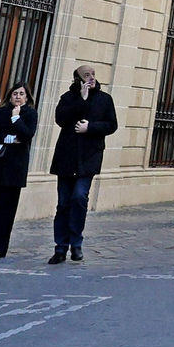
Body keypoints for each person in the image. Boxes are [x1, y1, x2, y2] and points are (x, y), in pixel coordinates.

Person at [48, 65, 117, 265]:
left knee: (79, 197)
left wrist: (91, 128)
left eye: (93, 74)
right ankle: (60, 247)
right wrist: (82, 100)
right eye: (86, 75)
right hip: (66, 158)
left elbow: (111, 124)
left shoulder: (105, 99)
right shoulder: (68, 98)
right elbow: (61, 119)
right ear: (77, 79)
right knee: (63, 204)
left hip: (89, 158)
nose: (91, 78)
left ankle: (76, 243)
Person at [0, 84, 37, 259]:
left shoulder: (30, 114)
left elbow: (27, 134)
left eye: (21, 94)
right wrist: (8, 138)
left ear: (27, 98)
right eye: (14, 93)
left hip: (14, 169)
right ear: (9, 96)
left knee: (5, 210)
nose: (18, 97)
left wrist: (16, 119)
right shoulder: (1, 112)